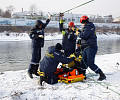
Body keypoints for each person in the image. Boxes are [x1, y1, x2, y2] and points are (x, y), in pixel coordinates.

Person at [76, 15, 106, 81]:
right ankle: (83, 74)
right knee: (83, 62)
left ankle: (101, 74)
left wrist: (77, 33)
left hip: (91, 47)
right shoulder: (87, 26)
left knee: (90, 63)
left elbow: (84, 36)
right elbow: (84, 33)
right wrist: (79, 31)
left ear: (83, 21)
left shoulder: (89, 27)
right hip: (86, 47)